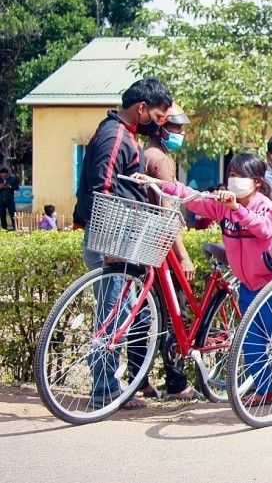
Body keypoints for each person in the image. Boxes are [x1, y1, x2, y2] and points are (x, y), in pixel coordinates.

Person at [137, 153, 272, 406]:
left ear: (256, 182)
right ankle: (266, 390)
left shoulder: (263, 204)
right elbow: (192, 197)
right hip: (247, 284)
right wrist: (156, 183)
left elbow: (264, 228)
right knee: (251, 340)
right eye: (231, 175)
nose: (234, 180)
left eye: (241, 176)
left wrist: (237, 209)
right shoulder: (221, 204)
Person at [73, 78, 173, 410]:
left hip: (118, 237)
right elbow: (101, 186)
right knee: (110, 318)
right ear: (141, 109)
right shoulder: (116, 136)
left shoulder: (121, 133)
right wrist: (111, 243)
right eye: (158, 117)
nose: (160, 124)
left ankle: (111, 385)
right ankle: (103, 389)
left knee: (121, 312)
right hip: (110, 237)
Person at [139, 102, 201, 401]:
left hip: (144, 245)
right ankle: (176, 382)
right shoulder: (161, 160)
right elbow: (168, 213)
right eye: (176, 127)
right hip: (162, 249)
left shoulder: (144, 152)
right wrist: (184, 255)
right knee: (173, 315)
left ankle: (139, 381)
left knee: (142, 315)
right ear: (161, 128)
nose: (181, 132)